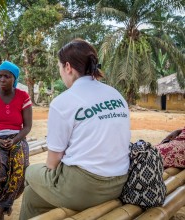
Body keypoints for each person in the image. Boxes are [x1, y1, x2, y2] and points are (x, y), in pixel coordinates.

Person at [19, 39, 131, 219]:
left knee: (29, 172)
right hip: (119, 182)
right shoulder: (116, 95)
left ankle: (6, 204)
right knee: (33, 196)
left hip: (85, 188)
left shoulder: (63, 102)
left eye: (59, 67)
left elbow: (52, 163)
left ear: (68, 67)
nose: (60, 72)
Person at [0, 61, 32, 220]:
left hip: (17, 138)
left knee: (20, 165)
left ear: (14, 79)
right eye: (0, 76)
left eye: (7, 76)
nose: (2, 79)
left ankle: (2, 205)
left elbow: (27, 126)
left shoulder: (23, 96)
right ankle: (4, 205)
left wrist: (15, 139)